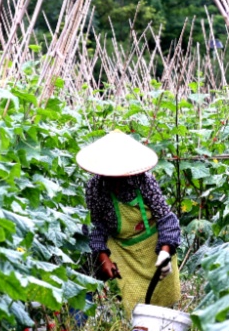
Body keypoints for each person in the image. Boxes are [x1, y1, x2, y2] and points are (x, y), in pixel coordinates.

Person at [77, 129, 182, 313]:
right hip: (123, 251)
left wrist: (165, 252)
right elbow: (96, 228)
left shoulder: (144, 182)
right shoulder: (95, 187)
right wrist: (104, 260)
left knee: (164, 298)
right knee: (132, 303)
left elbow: (166, 219)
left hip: (154, 245)